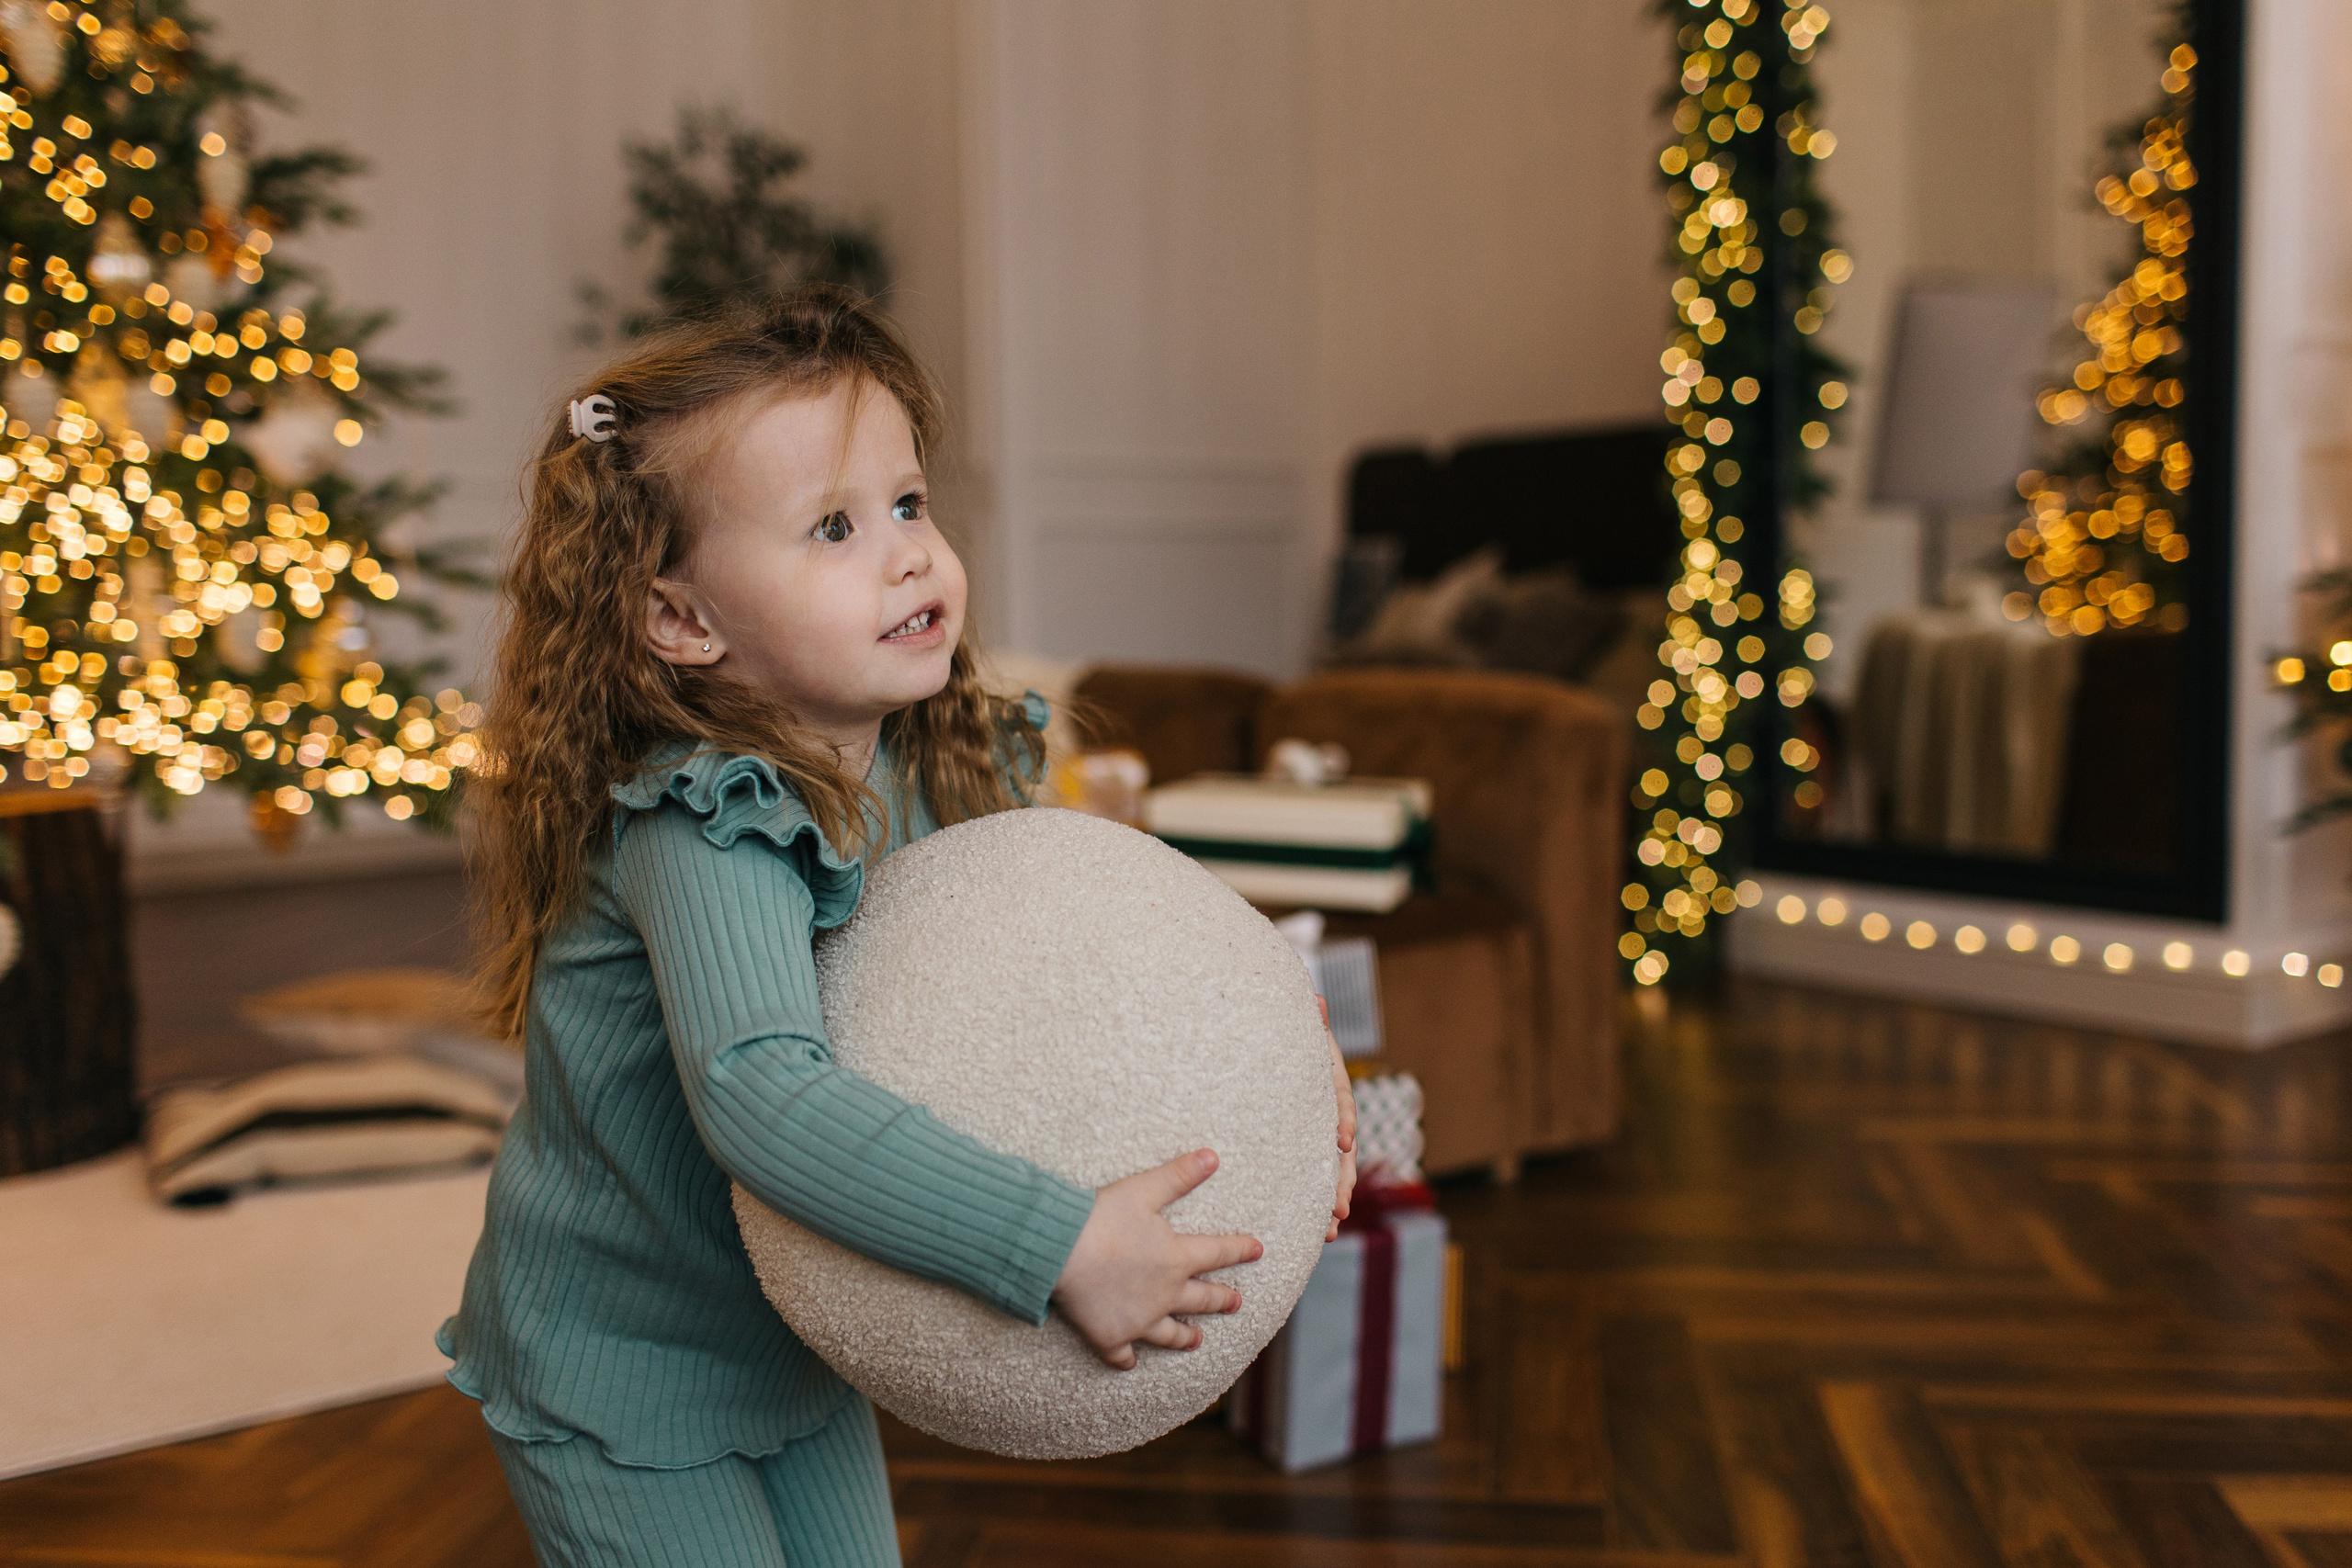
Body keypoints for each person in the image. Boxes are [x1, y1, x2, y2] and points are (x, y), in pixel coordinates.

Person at [440, 285, 1359, 1567]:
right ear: (681, 619)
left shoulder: (923, 760)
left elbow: (1116, 944)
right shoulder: (711, 826)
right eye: (833, 526)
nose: (909, 553)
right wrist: (1061, 1242)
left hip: (796, 1333)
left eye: (910, 504)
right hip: (626, 1371)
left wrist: (1280, 1033)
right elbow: (762, 1094)